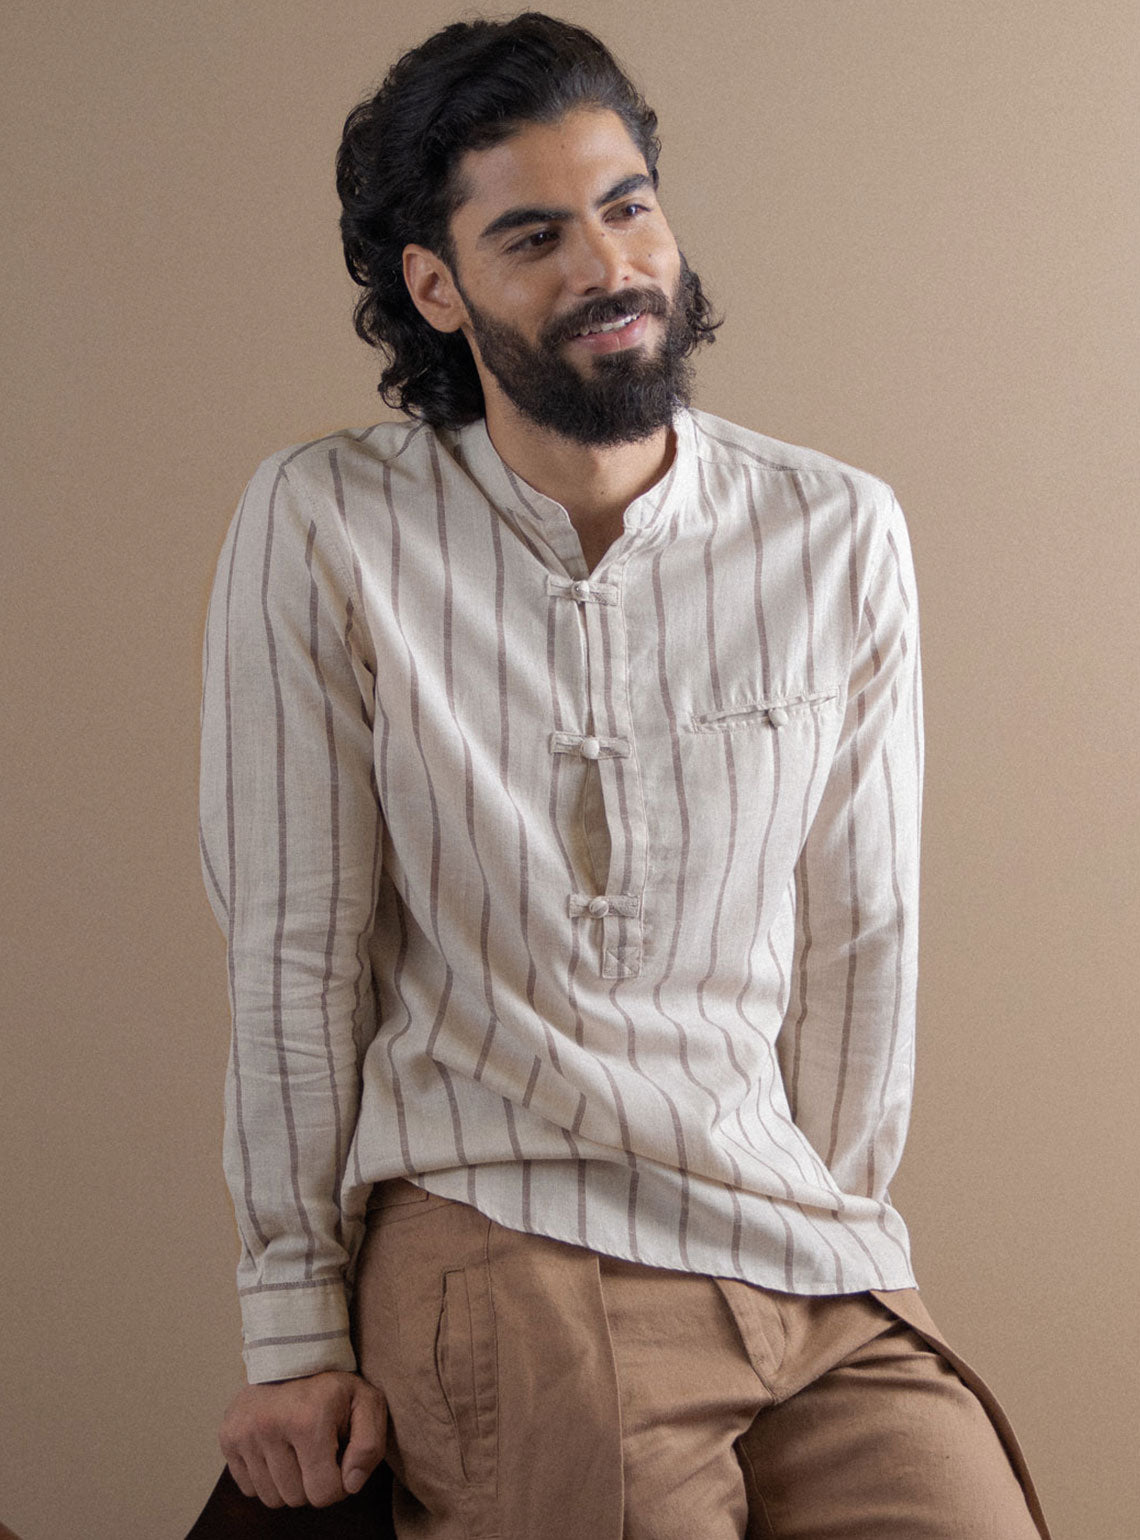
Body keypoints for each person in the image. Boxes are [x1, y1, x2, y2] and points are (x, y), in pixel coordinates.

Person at [198, 14, 1051, 1538]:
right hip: (508, 1223)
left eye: (628, 205)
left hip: (807, 1258)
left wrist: (849, 1223)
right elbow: (292, 948)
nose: (609, 266)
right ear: (438, 287)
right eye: (535, 235)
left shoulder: (836, 529)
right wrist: (291, 1329)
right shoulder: (327, 524)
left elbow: (861, 938)